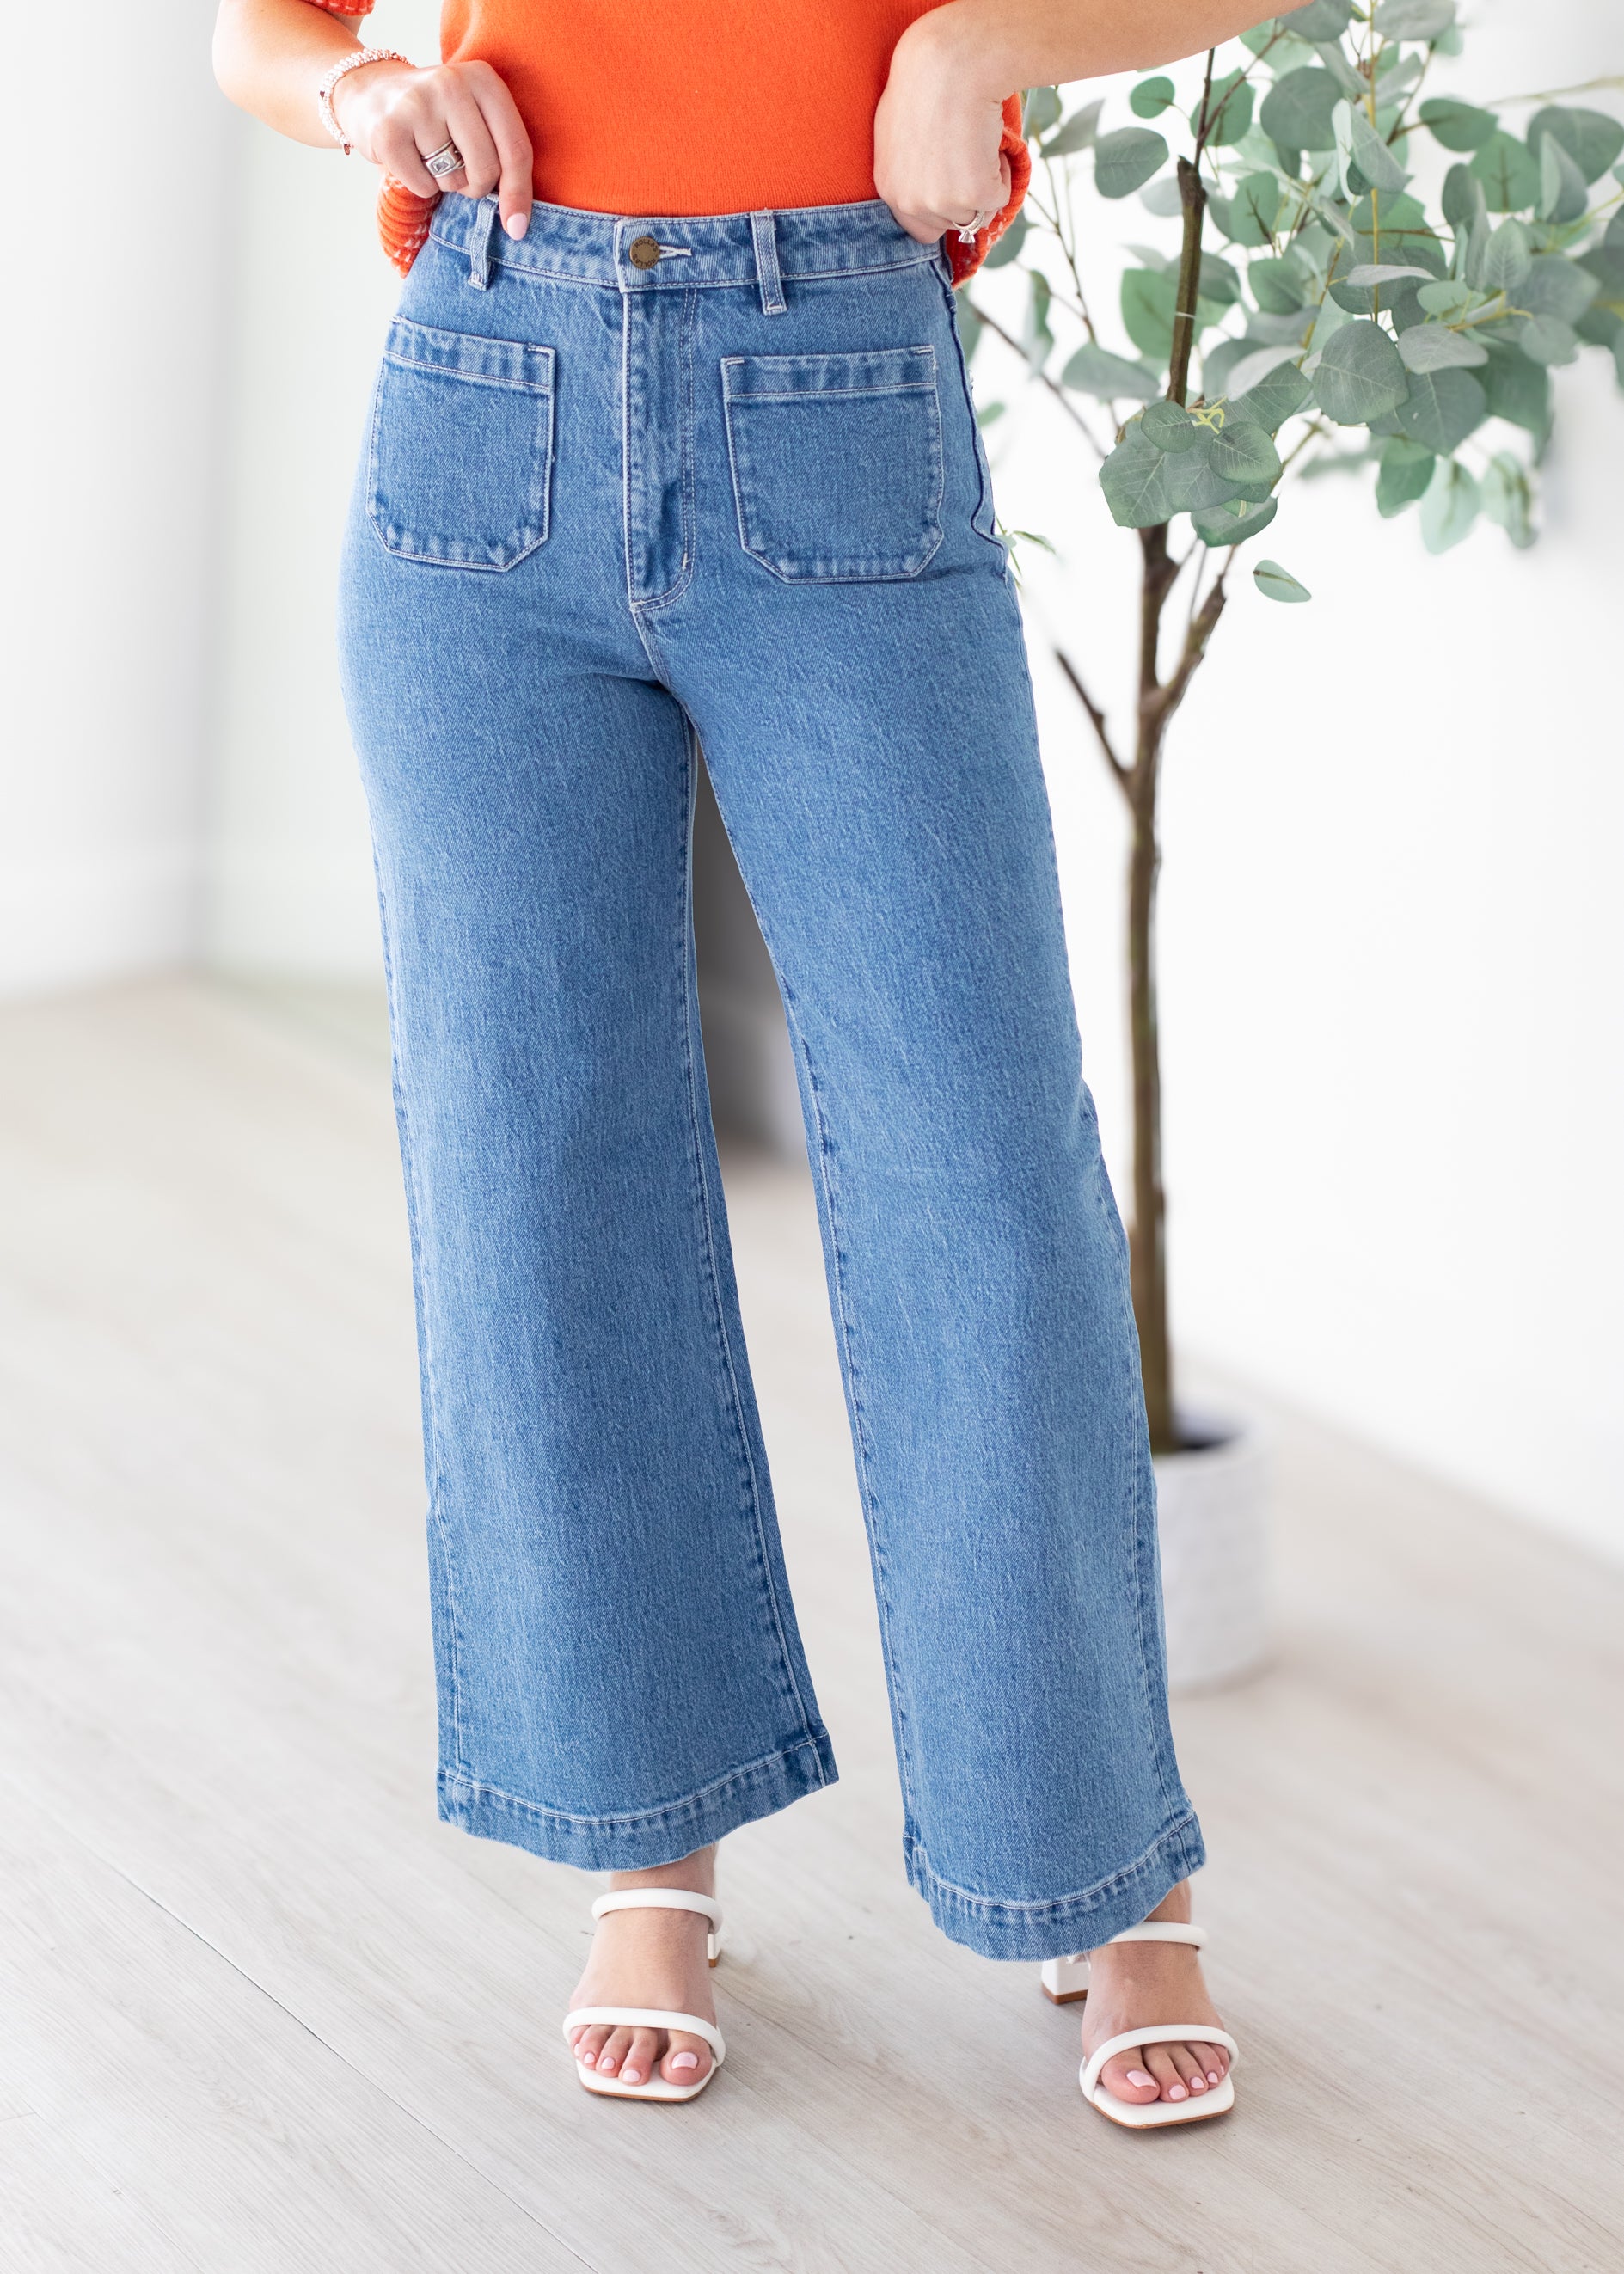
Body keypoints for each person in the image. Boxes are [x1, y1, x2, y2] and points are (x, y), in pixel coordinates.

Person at [214, 0, 1265, 2128]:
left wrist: (981, 45)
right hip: (487, 380)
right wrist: (364, 92)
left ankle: (1099, 1864)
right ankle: (647, 1844)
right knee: (538, 1156)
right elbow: (259, 31)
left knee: (981, 1168)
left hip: (835, 367)